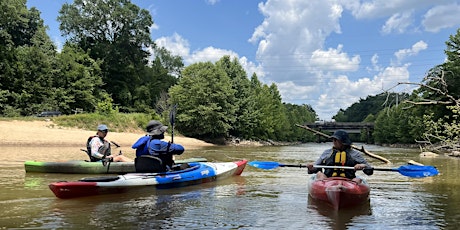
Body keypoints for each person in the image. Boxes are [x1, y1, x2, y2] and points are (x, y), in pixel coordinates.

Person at [306, 129, 373, 183]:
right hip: (328, 180)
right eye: (333, 139)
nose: (333, 141)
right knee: (319, 174)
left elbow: (369, 171)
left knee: (358, 180)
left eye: (336, 140)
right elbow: (316, 167)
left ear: (343, 142)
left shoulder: (355, 154)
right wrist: (311, 168)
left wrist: (363, 166)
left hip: (349, 181)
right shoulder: (327, 153)